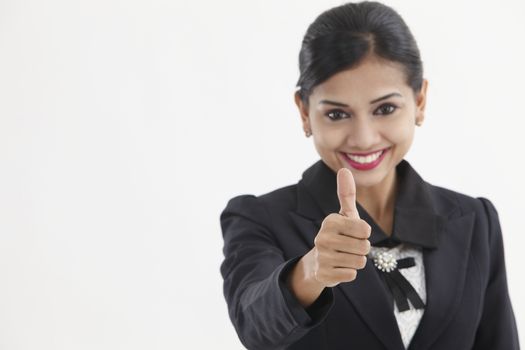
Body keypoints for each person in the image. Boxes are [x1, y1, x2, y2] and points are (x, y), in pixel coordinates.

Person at [219, 1, 520, 349]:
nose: (363, 138)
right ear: (304, 112)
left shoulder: (475, 220)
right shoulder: (259, 218)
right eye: (336, 114)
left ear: (419, 100)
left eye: (385, 109)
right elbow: (254, 327)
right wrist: (310, 271)